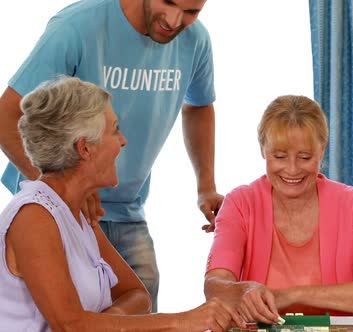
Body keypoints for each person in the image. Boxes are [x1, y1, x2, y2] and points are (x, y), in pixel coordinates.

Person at [0, 0, 223, 310]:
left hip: (127, 210)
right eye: (169, 2)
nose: (175, 20)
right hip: (57, 208)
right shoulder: (77, 26)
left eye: (191, 11)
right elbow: (5, 115)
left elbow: (199, 105)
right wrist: (63, 191)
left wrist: (206, 186)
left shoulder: (195, 41)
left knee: (138, 308)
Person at [0, 77, 242, 332]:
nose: (123, 140)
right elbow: (70, 325)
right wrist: (182, 320)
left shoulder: (77, 212)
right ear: (85, 148)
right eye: (114, 129)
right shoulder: (34, 217)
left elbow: (138, 295)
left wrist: (107, 322)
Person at [204, 95, 353, 324]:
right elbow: (214, 286)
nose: (292, 169)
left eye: (304, 157)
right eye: (279, 156)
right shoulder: (239, 203)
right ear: (262, 149)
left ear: (322, 149)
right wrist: (242, 290)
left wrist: (292, 295)